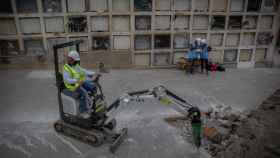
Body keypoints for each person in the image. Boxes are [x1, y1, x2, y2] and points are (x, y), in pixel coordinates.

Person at [63, 50, 96, 118]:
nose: (75, 62)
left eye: (76, 60)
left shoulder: (75, 66)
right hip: (71, 87)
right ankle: (82, 112)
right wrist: (77, 81)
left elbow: (83, 71)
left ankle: (90, 104)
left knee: (92, 86)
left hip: (79, 83)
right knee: (84, 93)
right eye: (74, 60)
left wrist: (93, 73)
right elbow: (67, 80)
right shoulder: (66, 68)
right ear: (70, 59)